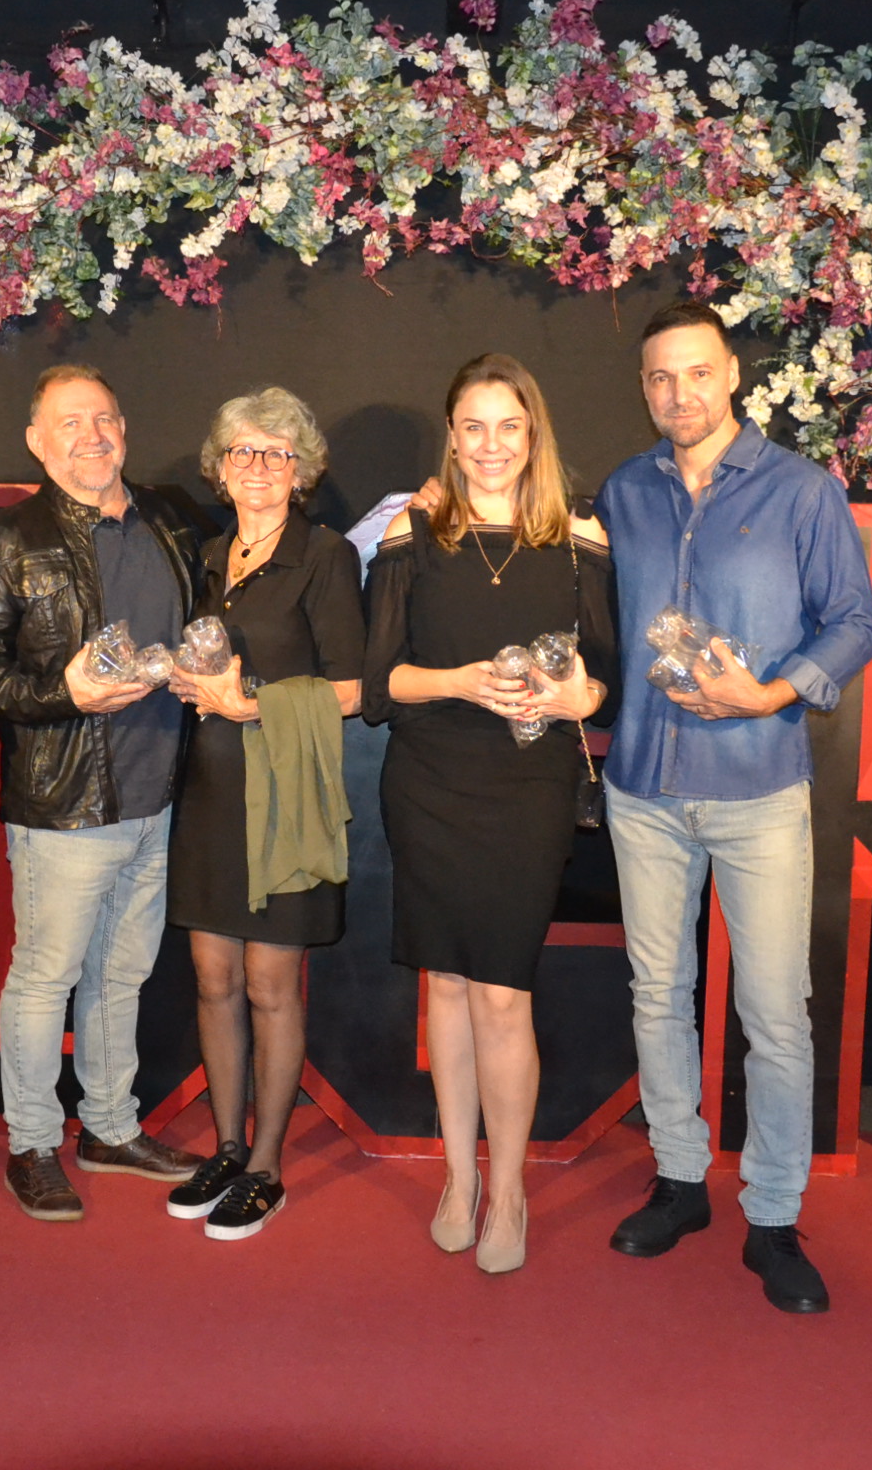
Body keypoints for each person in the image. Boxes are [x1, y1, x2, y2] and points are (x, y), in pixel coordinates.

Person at [596, 301, 872, 1315]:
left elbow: (855, 620)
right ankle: (680, 1180)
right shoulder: (625, 491)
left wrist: (768, 693)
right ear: (645, 388)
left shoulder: (802, 490)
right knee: (657, 995)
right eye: (660, 377)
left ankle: (773, 1216)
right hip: (643, 788)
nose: (679, 393)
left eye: (697, 372)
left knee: (774, 1015)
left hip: (759, 789)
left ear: (732, 376)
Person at [363, 353, 614, 1275]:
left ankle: (508, 1190)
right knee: (448, 987)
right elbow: (382, 684)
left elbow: (609, 678)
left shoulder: (578, 538)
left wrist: (579, 697)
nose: (491, 445)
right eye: (473, 427)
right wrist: (463, 681)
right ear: (451, 435)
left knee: (503, 993)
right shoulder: (414, 533)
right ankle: (457, 1178)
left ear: (533, 432)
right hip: (430, 781)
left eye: (509, 426)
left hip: (527, 789)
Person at [0, 363, 206, 1220]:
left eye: (103, 419)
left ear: (124, 430)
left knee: (120, 975)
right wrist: (66, 694)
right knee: (44, 978)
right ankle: (31, 1142)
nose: (90, 436)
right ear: (36, 441)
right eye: (69, 422)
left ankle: (109, 1128)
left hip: (157, 797)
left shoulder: (167, 519)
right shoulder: (5, 540)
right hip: (63, 808)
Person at [163, 388, 364, 1240]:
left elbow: (353, 689)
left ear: (302, 471)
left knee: (269, 985)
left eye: (278, 454)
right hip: (209, 796)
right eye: (243, 451)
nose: (259, 468)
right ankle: (226, 1145)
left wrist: (253, 705)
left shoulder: (325, 557)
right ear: (219, 467)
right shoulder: (208, 557)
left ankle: (268, 1166)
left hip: (284, 798)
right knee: (212, 978)